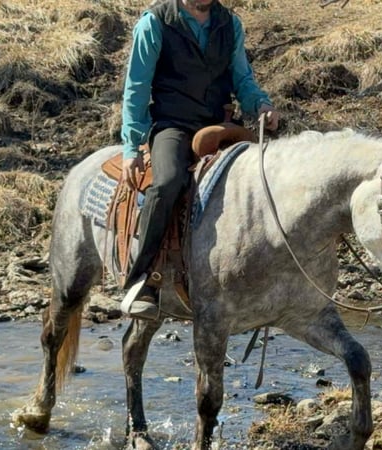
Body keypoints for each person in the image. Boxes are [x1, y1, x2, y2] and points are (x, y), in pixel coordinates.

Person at [119, 0, 280, 320]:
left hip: (219, 125)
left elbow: (242, 78)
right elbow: (136, 88)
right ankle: (142, 280)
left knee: (262, 177)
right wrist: (132, 146)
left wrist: (260, 104)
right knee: (168, 182)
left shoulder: (229, 23)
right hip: (173, 125)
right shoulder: (155, 22)